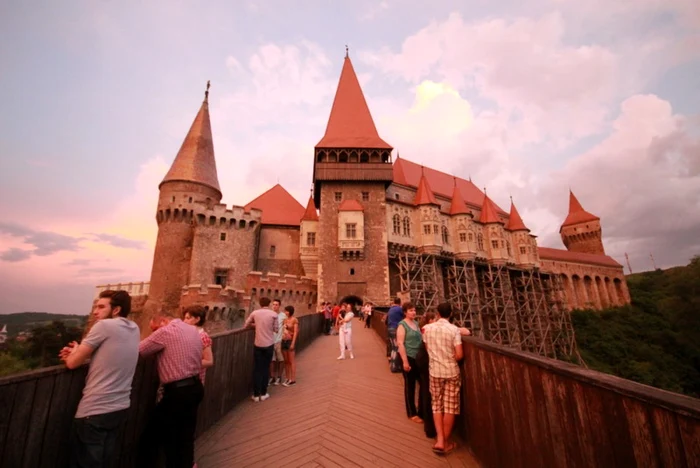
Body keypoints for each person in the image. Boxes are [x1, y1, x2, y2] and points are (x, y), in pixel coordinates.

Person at [59, 290, 139, 468]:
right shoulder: (134, 328)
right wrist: (79, 351)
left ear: (116, 310)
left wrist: (74, 354)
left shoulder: (103, 326)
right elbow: (110, 352)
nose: (95, 311)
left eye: (101, 307)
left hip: (94, 411)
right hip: (119, 408)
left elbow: (72, 364)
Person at [137, 309, 204, 468]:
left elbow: (139, 350)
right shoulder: (192, 330)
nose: (154, 333)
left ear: (162, 322)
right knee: (185, 437)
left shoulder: (165, 332)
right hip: (195, 387)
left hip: (177, 392)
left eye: (154, 329)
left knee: (153, 438)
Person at [422, 302, 463, 455]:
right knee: (451, 407)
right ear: (450, 314)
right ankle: (444, 442)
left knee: (437, 405)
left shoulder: (427, 329)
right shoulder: (453, 330)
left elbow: (428, 350)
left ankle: (440, 440)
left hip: (435, 371)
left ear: (437, 313)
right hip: (451, 371)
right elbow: (459, 355)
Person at [243, 297, 279, 401]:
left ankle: (256, 394)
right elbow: (276, 329)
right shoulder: (273, 314)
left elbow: (246, 325)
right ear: (269, 304)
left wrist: (256, 325)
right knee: (265, 367)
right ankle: (263, 393)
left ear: (260, 303)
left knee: (257, 369)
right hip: (269, 344)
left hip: (258, 344)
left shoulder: (255, 313)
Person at [397, 302, 423, 423]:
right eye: (411, 310)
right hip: (408, 356)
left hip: (418, 357)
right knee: (410, 385)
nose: (413, 312)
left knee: (422, 384)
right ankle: (412, 412)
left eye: (414, 310)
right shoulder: (402, 325)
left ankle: (421, 410)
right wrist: (405, 362)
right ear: (405, 312)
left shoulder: (416, 324)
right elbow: (400, 343)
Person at [416, 312, 438, 439]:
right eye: (435, 319)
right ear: (430, 320)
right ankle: (430, 428)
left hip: (422, 359)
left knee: (424, 389)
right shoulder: (428, 328)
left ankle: (422, 414)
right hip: (426, 361)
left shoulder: (425, 328)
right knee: (428, 392)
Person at [183, 305, 214, 385]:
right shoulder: (185, 334)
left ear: (197, 319)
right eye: (185, 318)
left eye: (188, 318)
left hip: (194, 380)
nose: (184, 321)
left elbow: (209, 361)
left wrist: (187, 364)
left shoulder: (203, 337)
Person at [269, 299, 286, 386]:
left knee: (280, 359)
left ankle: (279, 376)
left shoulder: (283, 315)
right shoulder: (269, 314)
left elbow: (286, 325)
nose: (275, 306)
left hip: (279, 340)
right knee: (272, 360)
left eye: (276, 305)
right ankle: (272, 377)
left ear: (279, 306)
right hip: (270, 340)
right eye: (273, 304)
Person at [281, 305, 299, 386]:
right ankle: (287, 378)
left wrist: (293, 343)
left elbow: (295, 332)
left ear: (290, 311)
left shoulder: (294, 320)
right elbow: (283, 329)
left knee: (291, 361)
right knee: (286, 361)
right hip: (284, 340)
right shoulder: (285, 320)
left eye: (287, 311)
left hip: (290, 340)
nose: (286, 312)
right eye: (285, 311)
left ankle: (293, 379)